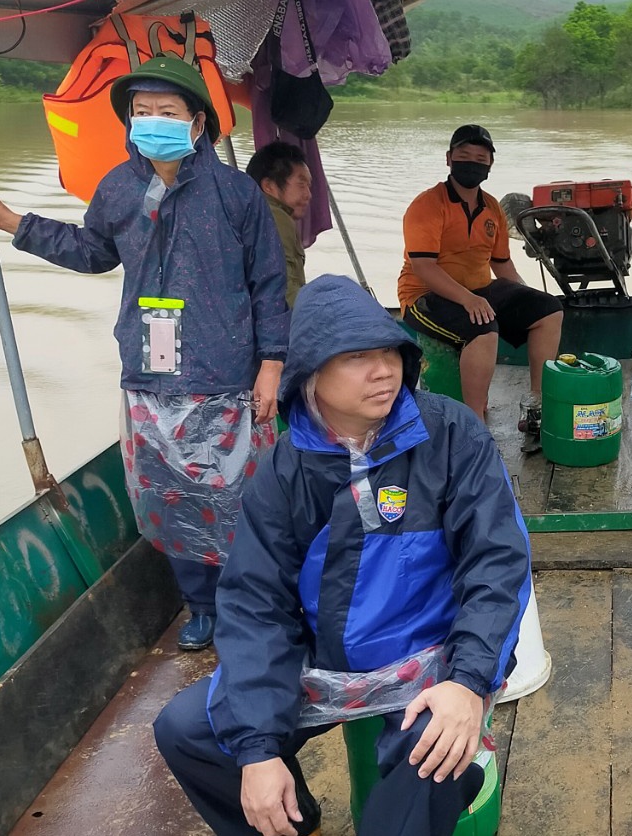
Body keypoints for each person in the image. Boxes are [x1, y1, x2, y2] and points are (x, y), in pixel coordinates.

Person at [153, 274, 532, 836]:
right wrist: (258, 751)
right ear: (311, 374)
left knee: (425, 769)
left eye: (388, 352)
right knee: (186, 730)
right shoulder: (285, 472)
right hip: (325, 660)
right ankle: (293, 822)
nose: (383, 370)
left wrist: (469, 682)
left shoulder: (452, 436)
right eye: (356, 357)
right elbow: (258, 605)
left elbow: (496, 565)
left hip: (434, 662)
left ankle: (453, 778)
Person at [0, 56, 287, 651]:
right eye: (141, 112)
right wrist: (10, 220)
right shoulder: (118, 187)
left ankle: (253, 603)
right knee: (170, 498)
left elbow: (268, 282)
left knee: (241, 499)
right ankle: (201, 606)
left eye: (167, 113)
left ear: (197, 122)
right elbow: (93, 251)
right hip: (149, 374)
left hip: (227, 376)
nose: (152, 122)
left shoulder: (235, 193)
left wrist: (272, 362)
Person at [397, 124, 564, 428]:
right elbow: (424, 266)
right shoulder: (428, 205)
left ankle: (538, 404)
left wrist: (524, 298)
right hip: (423, 296)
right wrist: (468, 299)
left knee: (548, 310)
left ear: (490, 164)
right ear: (449, 159)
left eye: (480, 157)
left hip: (478, 289)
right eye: (464, 155)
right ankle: (475, 423)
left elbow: (502, 264)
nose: (472, 163)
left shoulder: (491, 208)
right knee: (484, 328)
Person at [247, 141, 312, 308]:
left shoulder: (251, 211)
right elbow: (286, 291)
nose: (308, 195)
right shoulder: (275, 217)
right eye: (301, 184)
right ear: (269, 186)